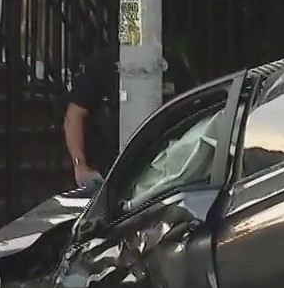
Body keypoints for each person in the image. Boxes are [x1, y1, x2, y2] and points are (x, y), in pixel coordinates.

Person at [63, 45, 193, 187]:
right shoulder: (102, 64)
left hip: (164, 167)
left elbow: (190, 112)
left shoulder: (172, 65)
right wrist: (80, 165)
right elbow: (74, 116)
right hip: (110, 167)